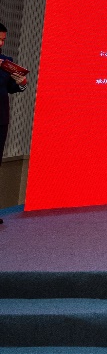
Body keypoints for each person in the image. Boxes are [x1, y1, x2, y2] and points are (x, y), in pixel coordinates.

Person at [0, 22, 29, 226]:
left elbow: (12, 87)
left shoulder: (6, 63)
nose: (1, 44)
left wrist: (21, 83)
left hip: (1, 119)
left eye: (3, 40)